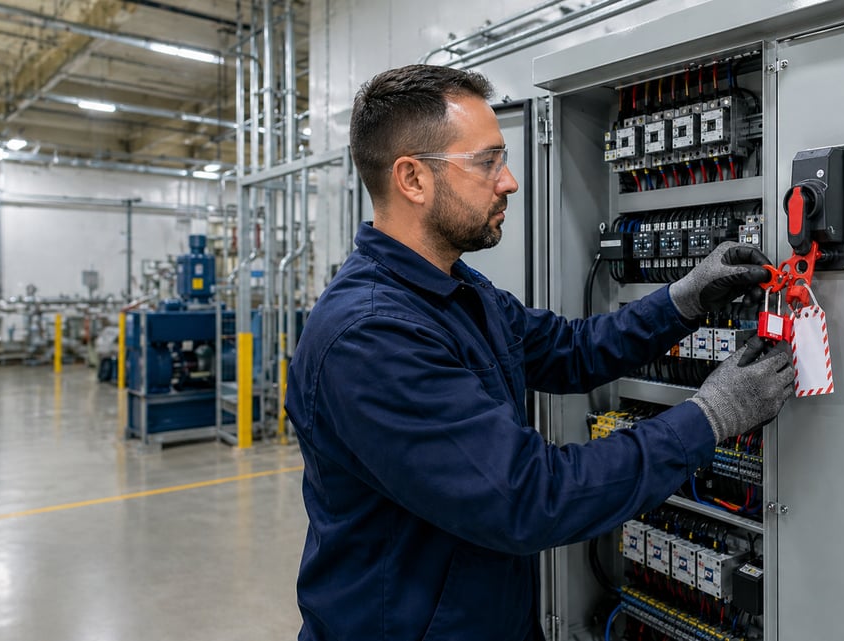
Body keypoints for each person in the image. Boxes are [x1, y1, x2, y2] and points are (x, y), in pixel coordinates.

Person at [285, 64, 794, 641]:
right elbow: (528, 496)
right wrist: (712, 416)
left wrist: (681, 300)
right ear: (412, 179)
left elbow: (571, 350)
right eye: (487, 161)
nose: (510, 181)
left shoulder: (457, 292)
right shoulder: (371, 337)